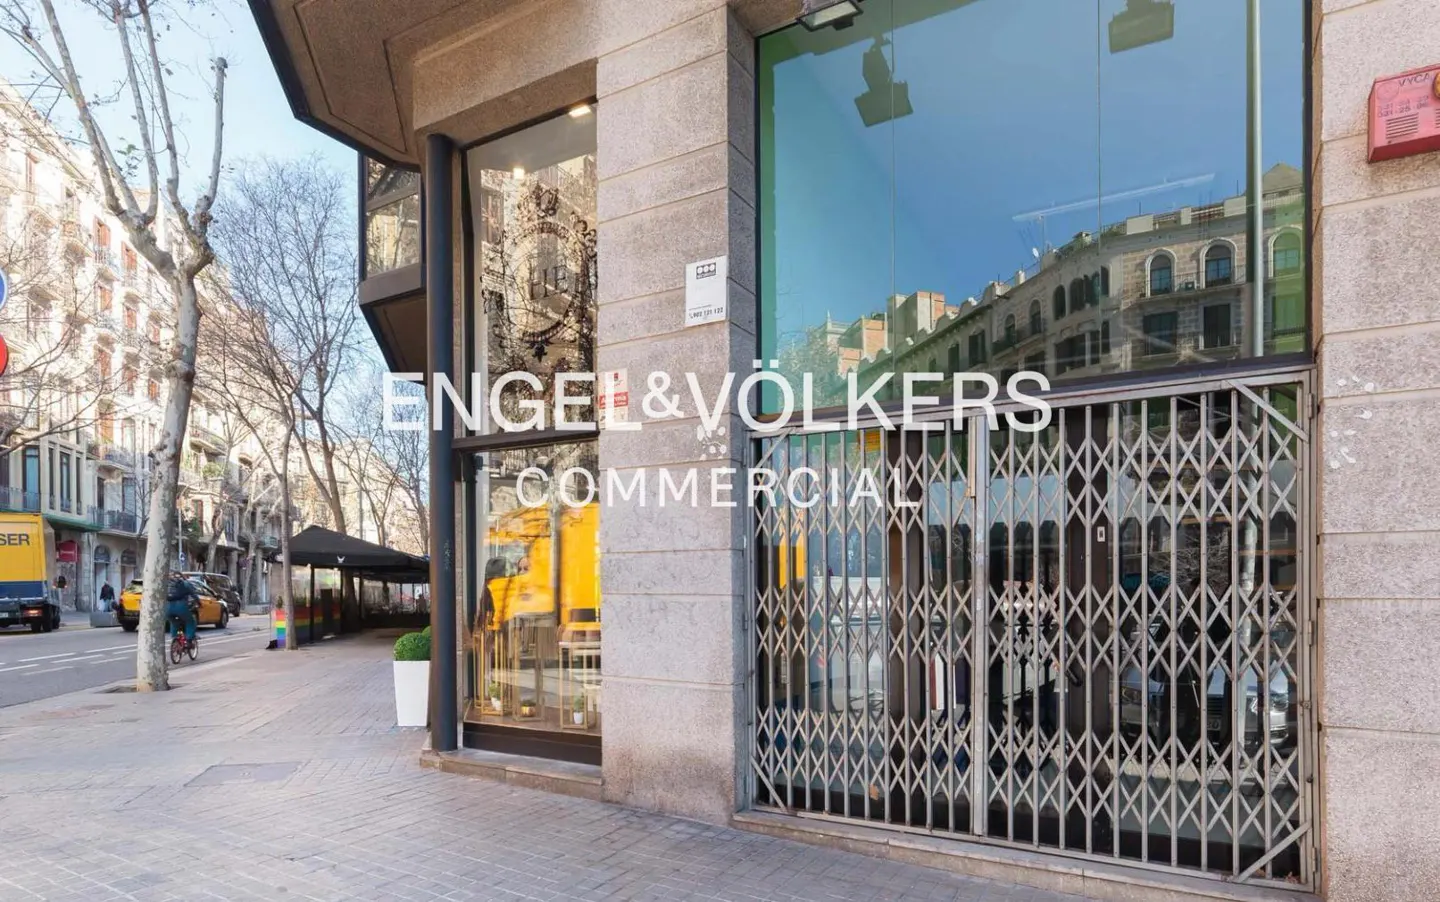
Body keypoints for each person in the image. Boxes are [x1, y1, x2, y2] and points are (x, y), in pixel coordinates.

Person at [165, 577, 199, 647]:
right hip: (180, 607)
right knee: (191, 622)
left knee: (174, 622)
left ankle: (174, 638)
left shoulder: (168, 585)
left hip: (168, 608)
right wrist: (199, 603)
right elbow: (194, 595)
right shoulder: (186, 584)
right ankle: (189, 640)